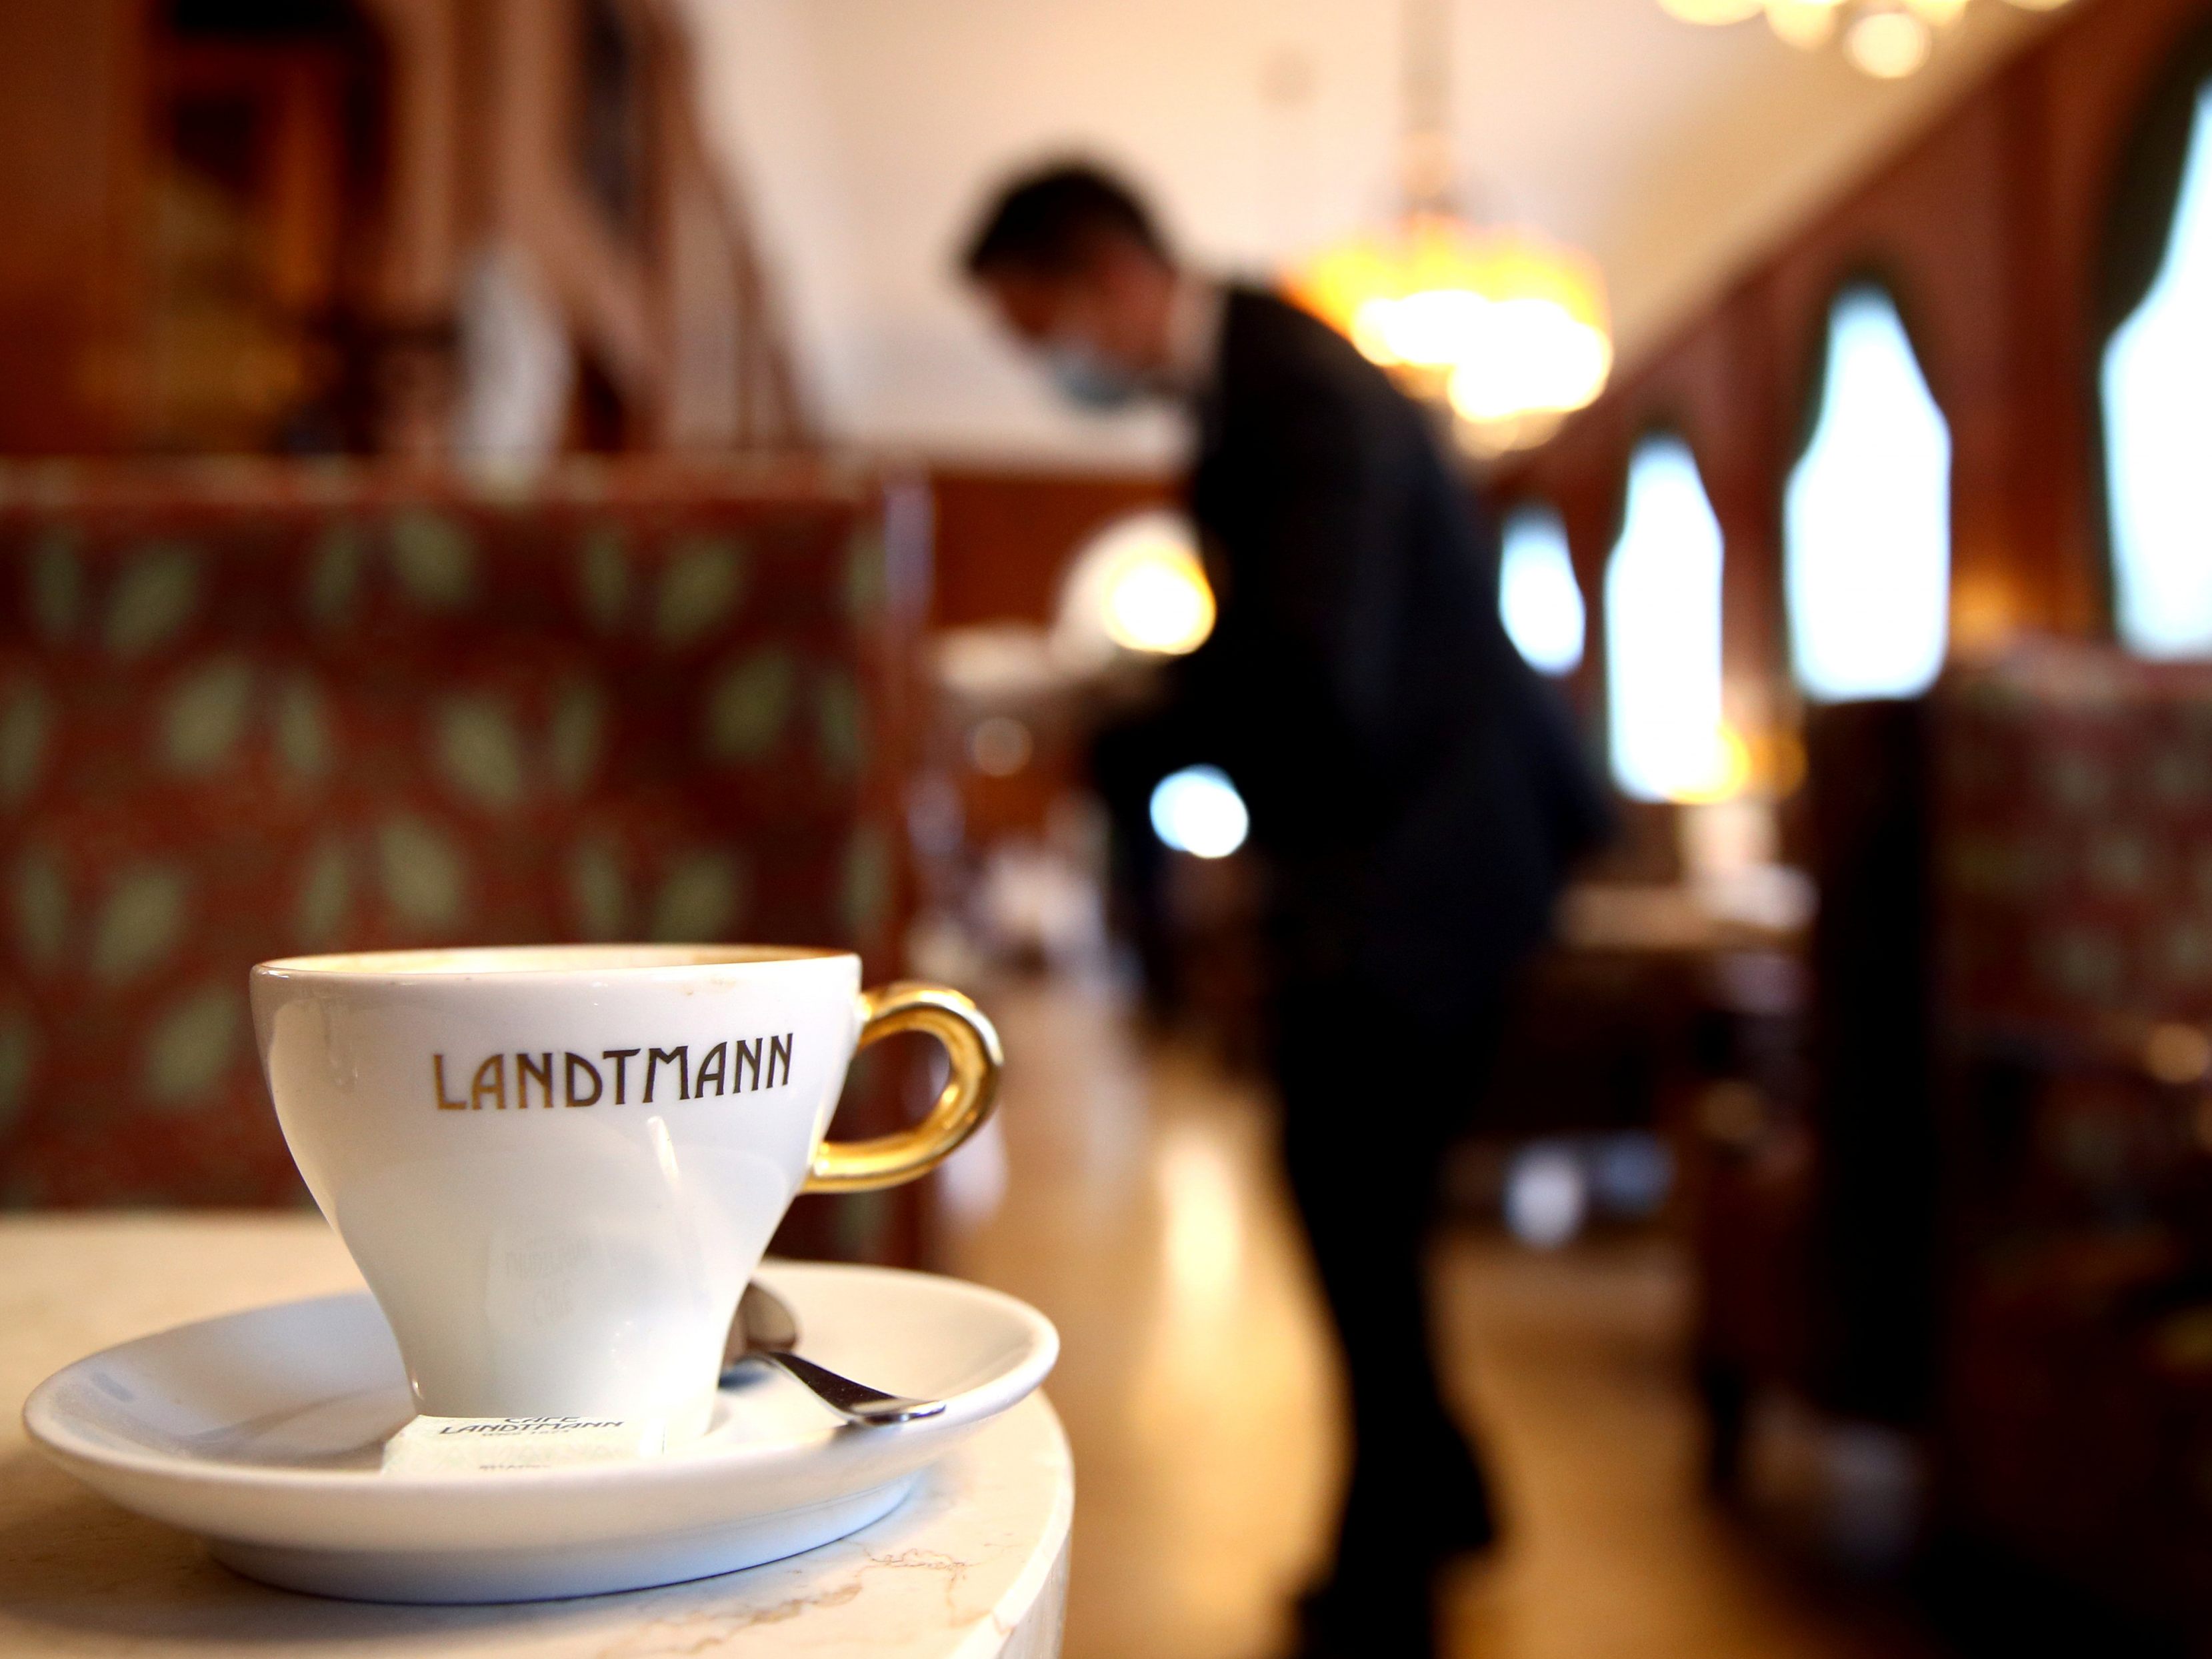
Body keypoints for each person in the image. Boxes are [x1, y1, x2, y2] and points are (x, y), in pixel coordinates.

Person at [962, 162, 1609, 1658]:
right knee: (1352, 1190)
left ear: (1109, 276)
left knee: (1351, 1188)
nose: (1042, 367)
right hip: (1428, 846)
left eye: (1035, 326)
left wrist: (1105, 731)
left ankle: (1393, 1567)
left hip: (1443, 855)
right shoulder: (1259, 377)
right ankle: (1441, 1487)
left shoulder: (1291, 392)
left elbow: (1307, 671)